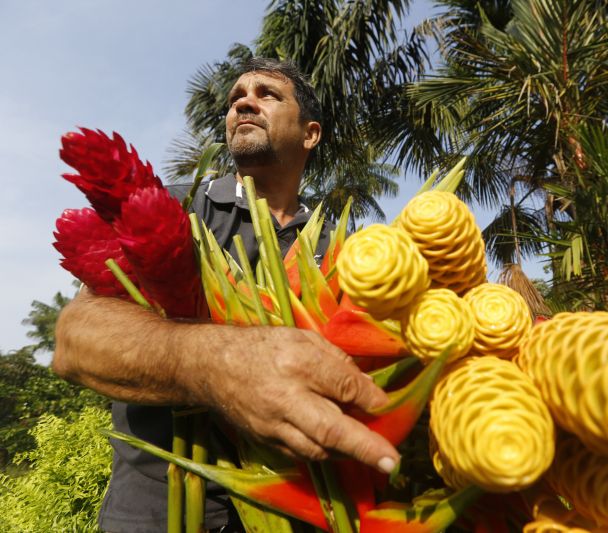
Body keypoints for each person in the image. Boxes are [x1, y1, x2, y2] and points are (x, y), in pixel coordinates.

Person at [53, 58, 400, 532]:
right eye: (237, 95)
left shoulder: (339, 247)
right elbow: (75, 342)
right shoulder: (170, 206)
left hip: (304, 511)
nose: (243, 100)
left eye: (268, 94)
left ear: (310, 134)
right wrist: (219, 364)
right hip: (157, 516)